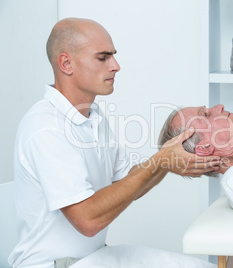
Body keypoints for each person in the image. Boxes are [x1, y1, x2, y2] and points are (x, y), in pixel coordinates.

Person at [9, 18, 220, 268]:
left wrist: (167, 161)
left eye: (113, 56)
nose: (116, 66)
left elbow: (130, 183)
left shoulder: (93, 117)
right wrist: (160, 161)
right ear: (66, 63)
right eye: (103, 57)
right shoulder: (46, 128)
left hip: (94, 257)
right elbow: (87, 220)